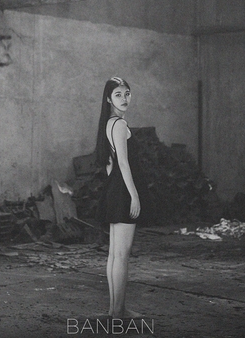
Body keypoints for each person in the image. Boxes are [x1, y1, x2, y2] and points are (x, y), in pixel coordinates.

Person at [95, 76, 152, 319]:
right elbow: (123, 163)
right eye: (118, 94)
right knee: (121, 255)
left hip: (114, 190)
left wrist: (115, 188)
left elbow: (109, 165)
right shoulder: (118, 124)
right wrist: (134, 195)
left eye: (127, 93)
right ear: (109, 99)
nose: (124, 98)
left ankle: (115, 309)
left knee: (114, 254)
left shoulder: (108, 123)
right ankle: (118, 311)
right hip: (124, 192)